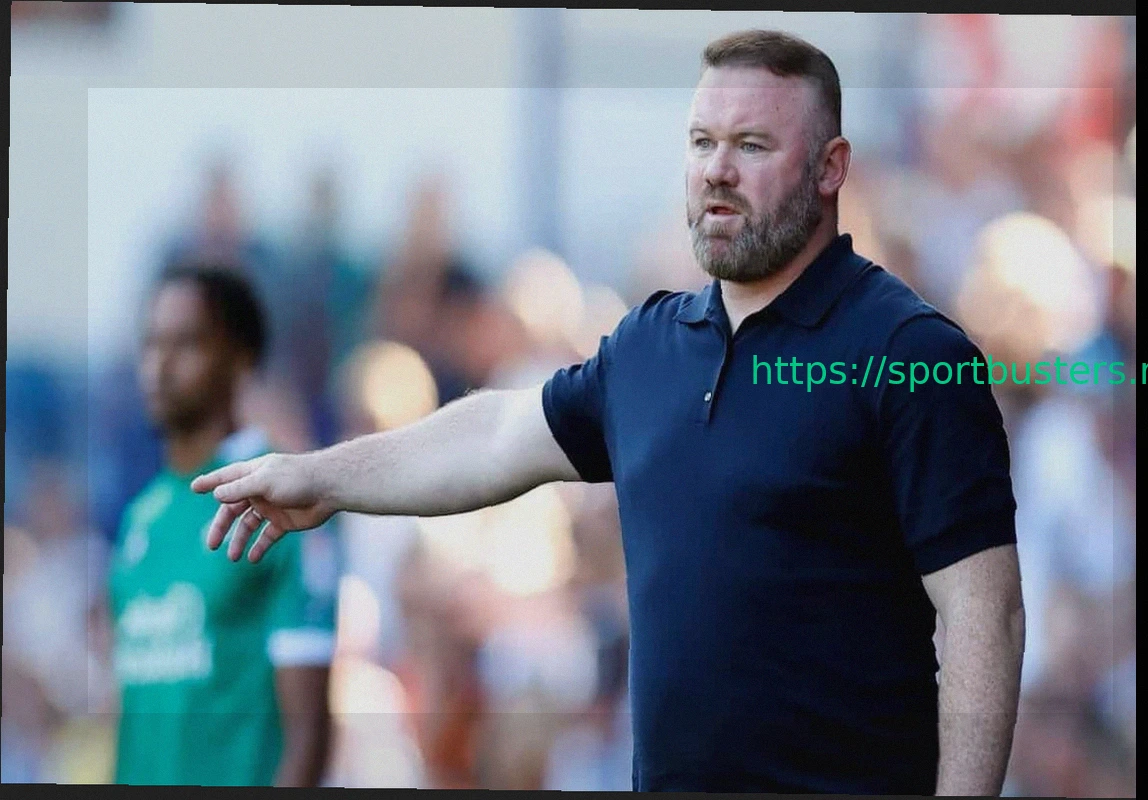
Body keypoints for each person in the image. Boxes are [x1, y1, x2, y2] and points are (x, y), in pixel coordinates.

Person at [193, 30, 1024, 795]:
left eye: (751, 145)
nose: (716, 170)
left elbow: (986, 615)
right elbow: (494, 435)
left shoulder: (910, 353)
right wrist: (322, 478)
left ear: (831, 167)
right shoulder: (649, 347)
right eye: (701, 142)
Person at [108, 262, 338, 786]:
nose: (159, 366)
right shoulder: (140, 517)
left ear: (240, 358)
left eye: (186, 344)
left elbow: (309, 735)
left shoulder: (282, 499)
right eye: (151, 344)